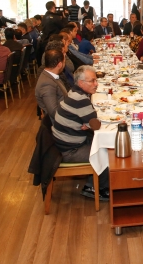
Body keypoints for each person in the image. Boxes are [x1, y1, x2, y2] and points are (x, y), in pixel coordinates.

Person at [52, 65, 109, 200]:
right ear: (81, 83)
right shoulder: (80, 100)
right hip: (70, 151)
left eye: (96, 80)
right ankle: (95, 188)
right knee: (106, 153)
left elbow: (91, 122)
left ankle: (93, 183)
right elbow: (96, 124)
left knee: (99, 144)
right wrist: (90, 124)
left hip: (63, 144)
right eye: (92, 81)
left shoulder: (74, 92)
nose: (96, 84)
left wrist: (88, 124)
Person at [35, 49, 68, 122]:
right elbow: (54, 112)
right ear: (59, 64)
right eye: (64, 62)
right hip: (60, 123)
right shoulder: (47, 84)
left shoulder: (50, 76)